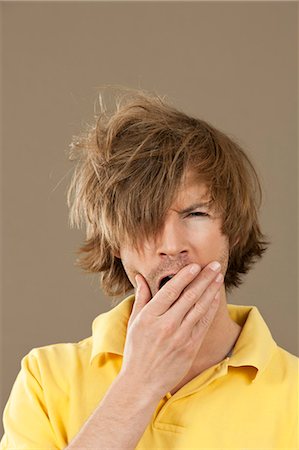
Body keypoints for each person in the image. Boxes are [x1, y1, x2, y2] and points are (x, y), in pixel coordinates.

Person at [0, 88, 298, 450]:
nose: (171, 246)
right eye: (144, 220)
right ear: (114, 244)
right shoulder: (46, 379)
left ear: (232, 230)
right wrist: (139, 383)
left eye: (196, 214)